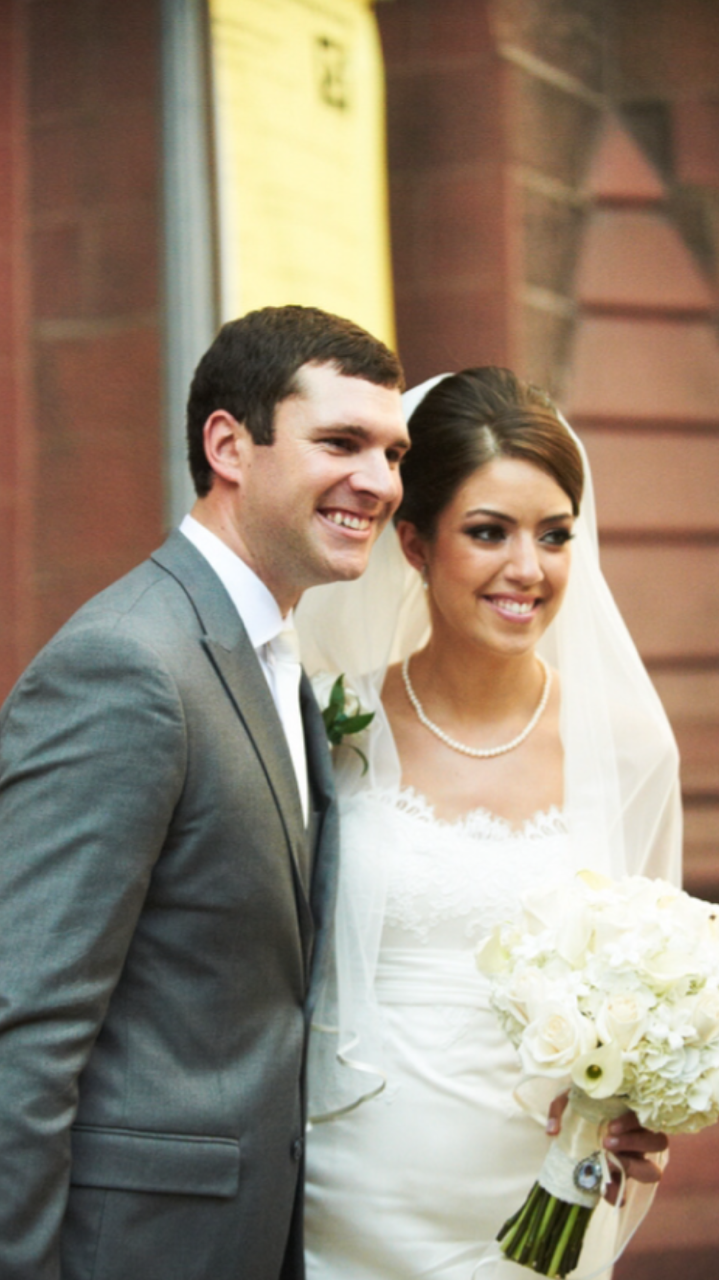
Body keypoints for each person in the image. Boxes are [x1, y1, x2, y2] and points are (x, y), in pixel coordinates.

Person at [0, 305, 409, 1280]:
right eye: (341, 442)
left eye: (392, 453)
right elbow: (25, 1015)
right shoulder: (128, 663)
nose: (380, 482)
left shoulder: (275, 657)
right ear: (228, 443)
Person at [297, 368, 682, 1279]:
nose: (528, 568)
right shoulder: (324, 724)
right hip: (346, 1192)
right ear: (415, 545)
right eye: (487, 532)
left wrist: (642, 1104)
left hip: (541, 1193)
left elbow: (655, 987)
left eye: (554, 536)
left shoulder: (625, 747)